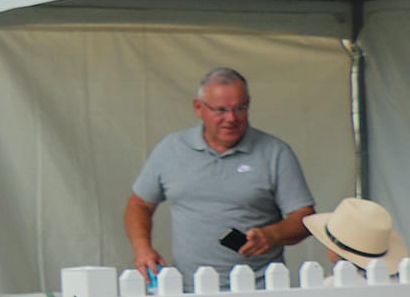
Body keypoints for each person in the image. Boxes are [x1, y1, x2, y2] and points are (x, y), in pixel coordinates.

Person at [125, 68, 316, 283]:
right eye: (221, 110)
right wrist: (142, 248)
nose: (231, 118)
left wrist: (272, 235)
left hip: (260, 289)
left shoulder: (275, 152)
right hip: (189, 289)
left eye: (240, 108)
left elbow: (304, 218)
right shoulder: (171, 148)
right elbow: (139, 204)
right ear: (198, 108)